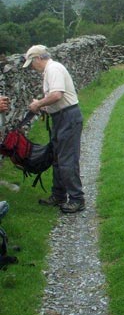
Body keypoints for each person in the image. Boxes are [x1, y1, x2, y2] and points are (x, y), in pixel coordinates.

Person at [24, 45, 85, 214]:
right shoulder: (50, 71)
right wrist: (44, 107)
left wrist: (38, 104)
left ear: (38, 59)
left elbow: (57, 94)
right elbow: (56, 98)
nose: (31, 67)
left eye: (31, 63)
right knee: (58, 159)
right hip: (61, 117)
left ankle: (77, 199)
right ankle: (59, 195)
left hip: (68, 117)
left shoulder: (54, 69)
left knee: (67, 160)